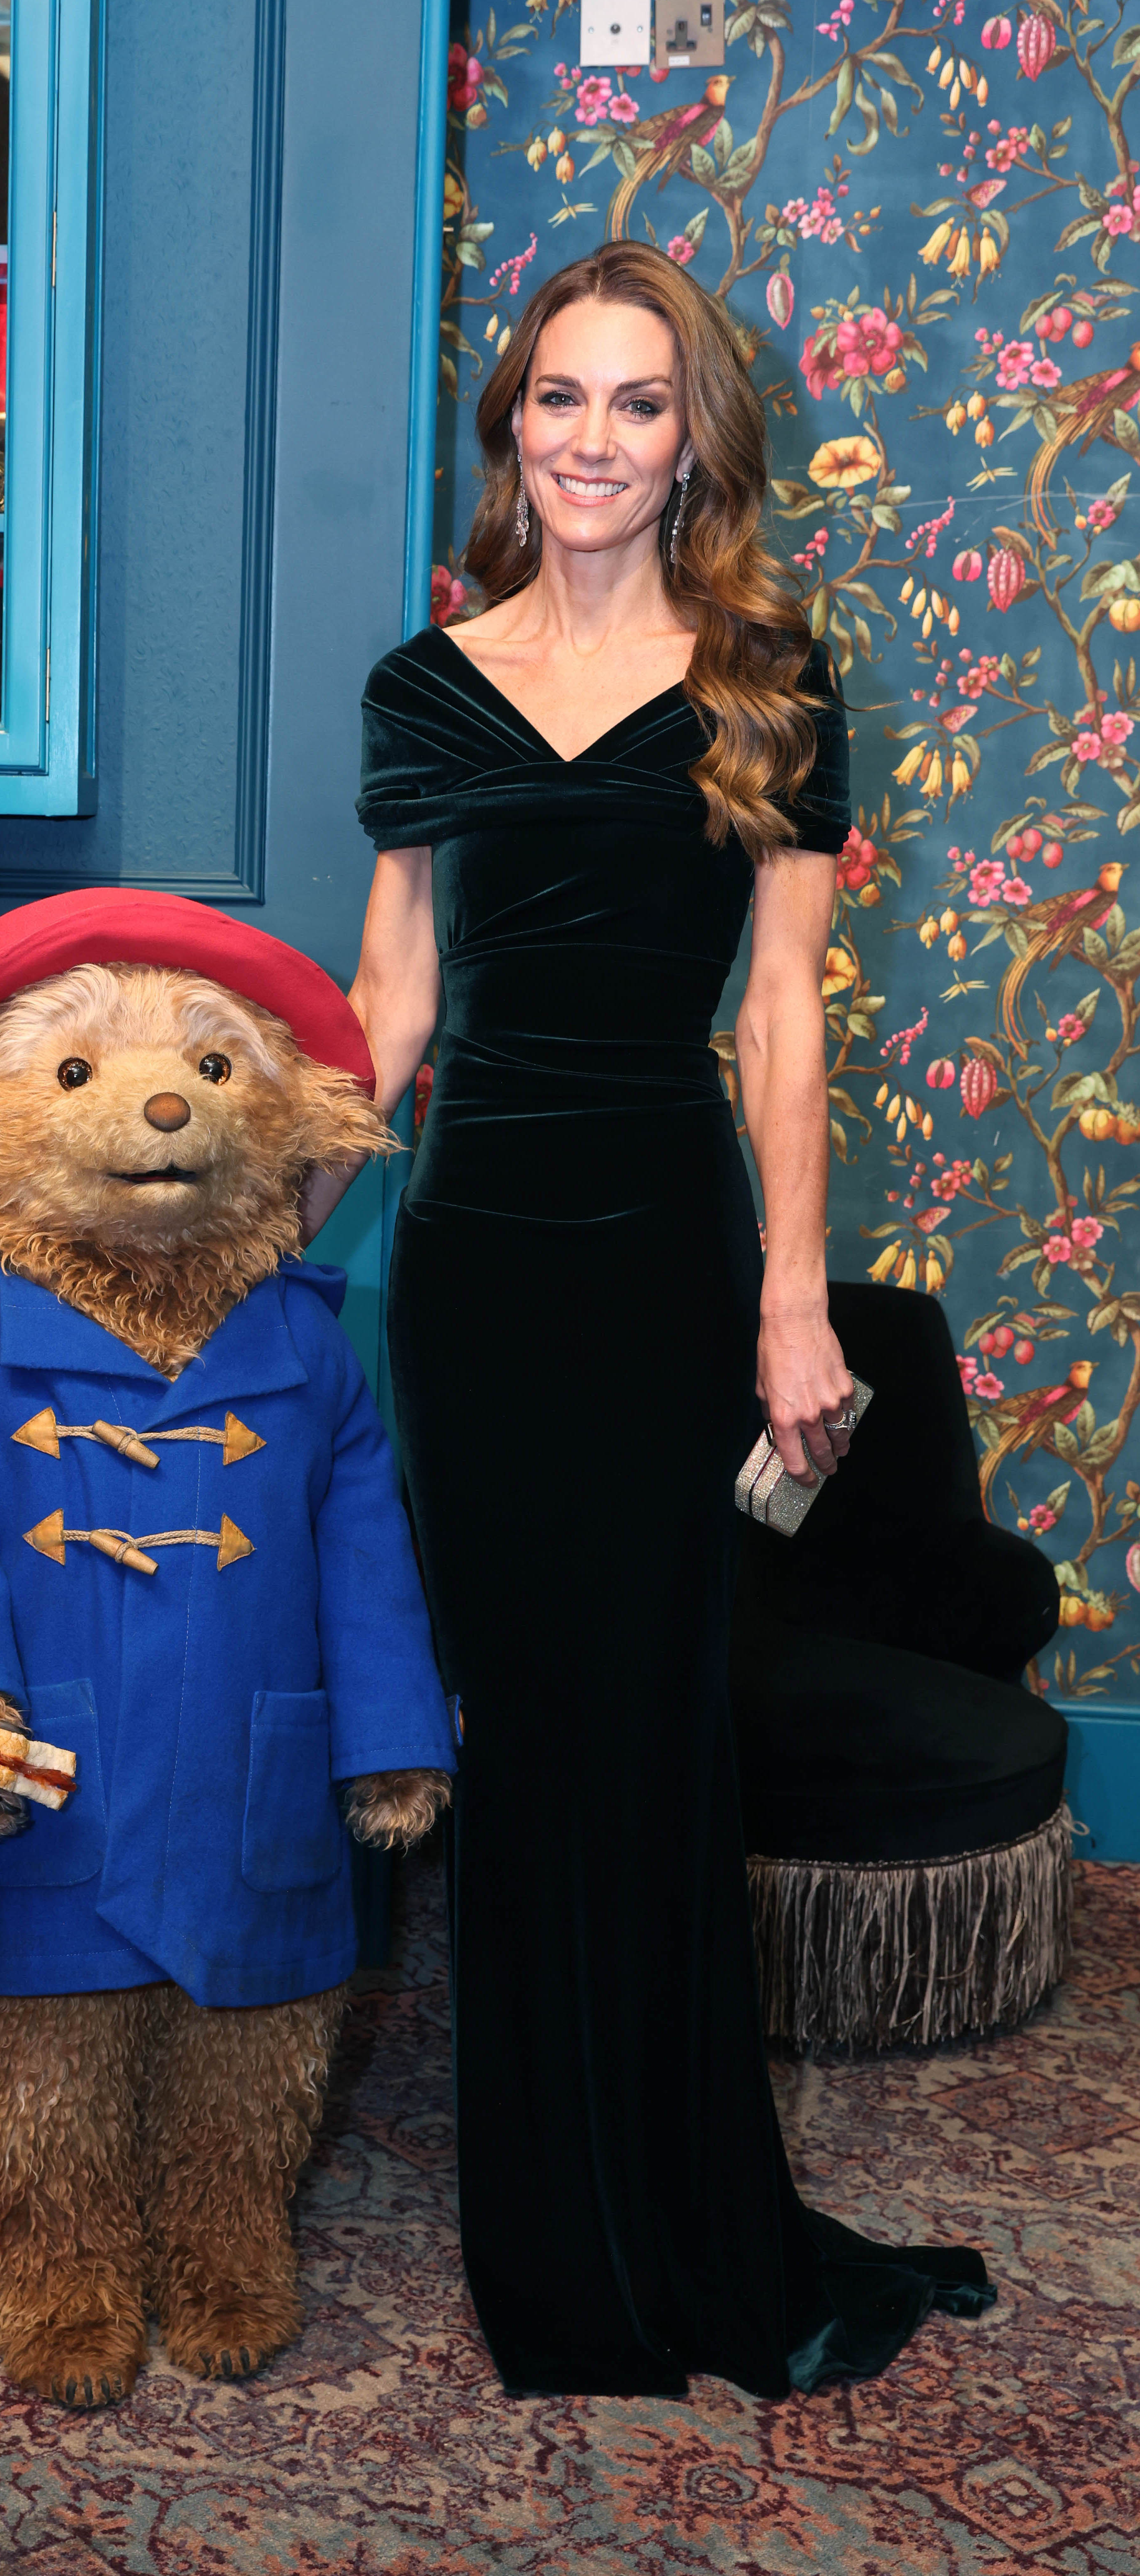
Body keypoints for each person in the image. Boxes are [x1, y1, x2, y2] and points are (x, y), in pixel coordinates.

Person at [319, 240, 994, 2397]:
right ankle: (556, 2250)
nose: (593, 440)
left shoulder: (767, 683)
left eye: (638, 402)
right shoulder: (425, 688)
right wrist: (237, 1248)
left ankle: (687, 2217)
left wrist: (797, 1304)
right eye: (559, 399)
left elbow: (781, 1015)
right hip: (477, 1274)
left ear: (693, 438)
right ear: (511, 427)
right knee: (523, 1742)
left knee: (655, 1733)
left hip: (664, 1263)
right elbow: (390, 1011)